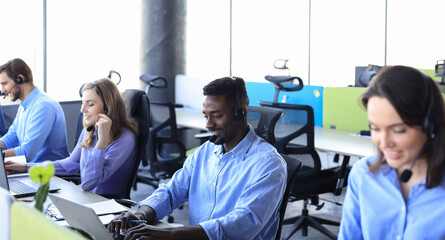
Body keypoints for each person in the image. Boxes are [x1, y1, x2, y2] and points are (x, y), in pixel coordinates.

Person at [108, 77, 287, 239]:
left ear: (240, 112)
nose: (208, 124)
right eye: (206, 116)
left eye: (216, 116)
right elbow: (171, 192)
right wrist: (141, 215)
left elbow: (243, 223)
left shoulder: (269, 164)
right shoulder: (206, 151)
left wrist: (170, 234)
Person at [338, 66, 445, 239]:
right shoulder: (363, 175)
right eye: (375, 128)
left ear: (430, 125)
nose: (384, 142)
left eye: (398, 130)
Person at [5, 78, 138, 196]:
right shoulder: (91, 129)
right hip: (84, 196)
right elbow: (71, 164)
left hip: (104, 204)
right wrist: (26, 167)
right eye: (83, 103)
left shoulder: (125, 139)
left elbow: (88, 182)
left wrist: (101, 142)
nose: (82, 110)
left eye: (90, 104)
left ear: (108, 108)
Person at [0, 58, 69, 162]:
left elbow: (27, 153)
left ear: (20, 79)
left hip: (50, 174)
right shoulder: (24, 106)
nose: (3, 90)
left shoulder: (44, 106)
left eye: (5, 83)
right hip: (31, 169)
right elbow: (10, 139)